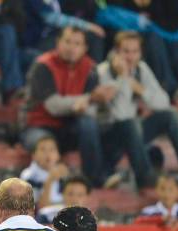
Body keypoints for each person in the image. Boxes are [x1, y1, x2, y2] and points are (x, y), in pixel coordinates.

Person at [21, 26, 117, 187]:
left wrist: (94, 101)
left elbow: (91, 109)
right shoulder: (43, 65)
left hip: (69, 127)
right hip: (39, 125)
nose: (71, 47)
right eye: (67, 42)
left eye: (77, 43)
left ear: (85, 48)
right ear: (58, 43)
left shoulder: (90, 68)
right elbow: (53, 105)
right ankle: (42, 194)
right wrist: (89, 99)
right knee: (46, 146)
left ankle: (93, 180)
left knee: (95, 124)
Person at [97, 31, 178, 186]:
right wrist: (123, 78)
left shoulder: (141, 69)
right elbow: (122, 116)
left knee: (171, 115)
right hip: (110, 135)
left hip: (134, 132)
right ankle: (146, 179)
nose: (130, 56)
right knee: (131, 123)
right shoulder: (103, 71)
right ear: (116, 51)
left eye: (135, 51)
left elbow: (163, 102)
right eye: (126, 51)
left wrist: (141, 89)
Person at [20, 135, 68, 207]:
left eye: (52, 149)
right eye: (43, 149)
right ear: (34, 155)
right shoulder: (28, 175)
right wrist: (50, 180)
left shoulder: (63, 174)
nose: (48, 154)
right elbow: (38, 208)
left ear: (58, 155)